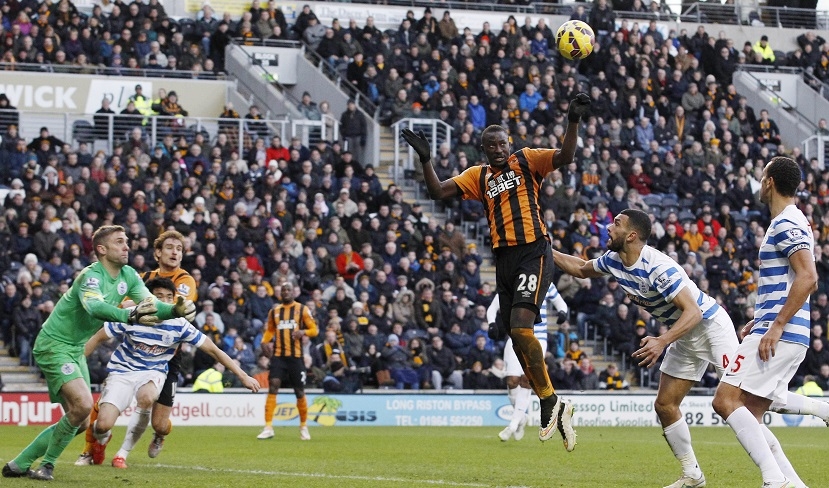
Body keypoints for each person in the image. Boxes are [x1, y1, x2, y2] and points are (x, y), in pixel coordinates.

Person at [554, 207, 826, 488]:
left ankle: (812, 424)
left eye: (616, 223)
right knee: (665, 405)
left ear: (631, 235)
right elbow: (581, 268)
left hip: (710, 328)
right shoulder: (613, 260)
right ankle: (693, 475)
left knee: (743, 401)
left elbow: (694, 312)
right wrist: (543, 249)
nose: (609, 228)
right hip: (683, 335)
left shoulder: (658, 267)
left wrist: (662, 341)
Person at [400, 92, 591, 452]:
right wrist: (426, 160)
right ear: (484, 150)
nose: (499, 149)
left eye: (502, 143)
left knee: (520, 327)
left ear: (509, 143)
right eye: (492, 146)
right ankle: (552, 400)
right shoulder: (479, 176)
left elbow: (565, 156)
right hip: (503, 260)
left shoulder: (527, 160)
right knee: (515, 336)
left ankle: (549, 401)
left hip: (533, 250)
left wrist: (573, 121)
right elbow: (437, 191)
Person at [2, 225, 195, 481]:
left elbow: (151, 304)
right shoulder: (91, 276)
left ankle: (19, 463)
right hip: (54, 344)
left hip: (74, 349)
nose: (127, 246)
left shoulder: (129, 275)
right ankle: (47, 465)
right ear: (102, 250)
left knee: (81, 421)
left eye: (126, 241)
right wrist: (128, 315)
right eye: (120, 242)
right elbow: (94, 307)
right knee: (83, 405)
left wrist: (174, 311)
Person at [713, 157, 820, 488]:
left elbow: (808, 277)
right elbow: (788, 282)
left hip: (779, 333)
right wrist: (760, 319)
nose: (759, 184)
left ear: (770, 181)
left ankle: (773, 479)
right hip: (784, 331)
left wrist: (775, 325)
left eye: (761, 178)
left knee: (725, 400)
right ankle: (792, 483)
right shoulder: (792, 221)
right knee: (752, 413)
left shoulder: (787, 222)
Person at [81, 278, 258, 468]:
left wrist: (243, 376)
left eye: (168, 297)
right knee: (102, 425)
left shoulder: (179, 324)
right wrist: (75, 365)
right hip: (122, 371)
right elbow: (97, 338)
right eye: (159, 297)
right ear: (148, 298)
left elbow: (214, 350)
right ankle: (102, 440)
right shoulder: (132, 315)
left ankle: (122, 454)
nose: (164, 301)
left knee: (147, 398)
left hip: (153, 371)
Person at [77, 230, 198, 465]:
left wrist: (140, 304)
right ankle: (90, 449)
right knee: (104, 404)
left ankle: (160, 435)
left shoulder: (185, 280)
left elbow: (173, 308)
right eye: (169, 247)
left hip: (165, 356)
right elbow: (121, 305)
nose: (175, 252)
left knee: (159, 424)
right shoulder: (142, 277)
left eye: (179, 249)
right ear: (157, 252)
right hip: (134, 350)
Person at [488, 282, 568, 442]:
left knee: (527, 380)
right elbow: (493, 307)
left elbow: (561, 302)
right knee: (512, 380)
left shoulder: (545, 282)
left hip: (539, 338)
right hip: (515, 335)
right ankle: (521, 417)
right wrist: (491, 323)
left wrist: (562, 312)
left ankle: (512, 425)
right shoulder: (512, 282)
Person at [257, 281, 319, 441]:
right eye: (283, 290)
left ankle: (303, 427)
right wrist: (264, 341)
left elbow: (314, 330)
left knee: (299, 391)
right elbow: (270, 330)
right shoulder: (274, 311)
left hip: (296, 357)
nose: (285, 292)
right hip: (279, 356)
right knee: (273, 386)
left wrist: (303, 332)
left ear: (293, 292)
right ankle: (268, 427)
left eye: (288, 290)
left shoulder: (302, 309)